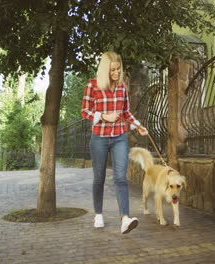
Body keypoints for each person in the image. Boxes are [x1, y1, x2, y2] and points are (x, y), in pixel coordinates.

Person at [81, 51, 148, 234]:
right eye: (112, 70)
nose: (117, 73)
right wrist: (103, 116)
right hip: (99, 138)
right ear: (104, 70)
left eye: (118, 69)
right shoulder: (93, 85)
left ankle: (125, 219)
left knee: (120, 177)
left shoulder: (122, 87)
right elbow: (85, 111)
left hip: (119, 137)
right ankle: (98, 214)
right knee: (99, 178)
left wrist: (138, 126)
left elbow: (126, 112)